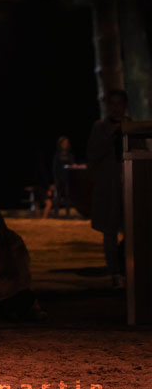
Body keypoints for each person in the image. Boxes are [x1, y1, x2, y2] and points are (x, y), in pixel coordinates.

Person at [87, 89, 129, 289]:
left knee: (132, 229)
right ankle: (114, 272)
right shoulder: (100, 127)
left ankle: (129, 268)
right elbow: (92, 154)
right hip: (109, 188)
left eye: (119, 103)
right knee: (110, 231)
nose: (115, 107)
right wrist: (110, 135)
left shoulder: (132, 125)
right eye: (111, 103)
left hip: (129, 184)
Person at [52, 136, 75, 218]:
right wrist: (55, 179)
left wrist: (72, 166)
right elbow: (55, 168)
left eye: (67, 143)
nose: (65, 144)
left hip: (67, 178)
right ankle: (56, 214)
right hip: (59, 178)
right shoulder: (57, 155)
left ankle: (67, 214)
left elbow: (72, 164)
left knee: (67, 196)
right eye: (64, 143)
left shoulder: (70, 154)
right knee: (58, 196)